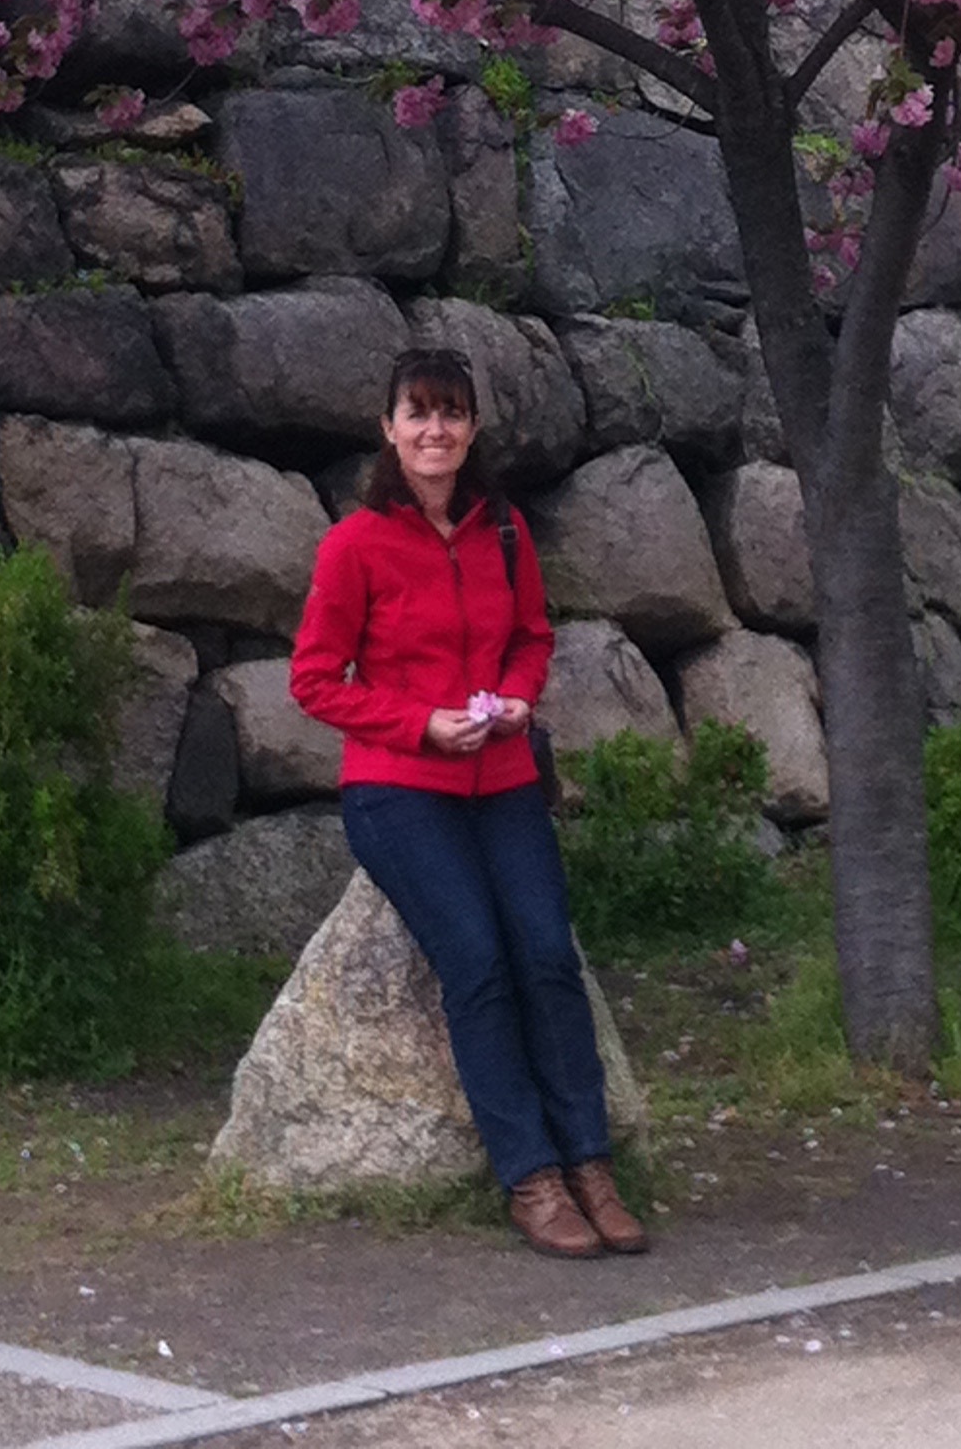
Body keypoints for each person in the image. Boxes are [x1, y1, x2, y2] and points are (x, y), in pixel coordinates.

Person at [289, 344, 647, 1261]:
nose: (434, 430)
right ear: (389, 431)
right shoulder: (355, 544)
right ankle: (531, 1179)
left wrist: (520, 699)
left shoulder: (503, 533)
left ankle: (591, 1167)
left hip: (503, 778)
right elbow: (316, 681)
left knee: (547, 957)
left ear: (472, 427)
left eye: (450, 413)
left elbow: (531, 637)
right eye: (417, 413)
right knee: (480, 962)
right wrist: (419, 725)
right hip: (398, 789)